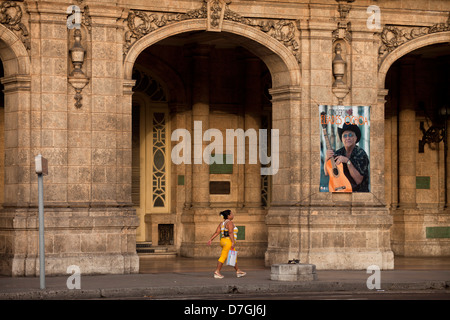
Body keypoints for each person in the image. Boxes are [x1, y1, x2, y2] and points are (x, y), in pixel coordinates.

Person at [325, 122, 370, 192]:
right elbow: (327, 173)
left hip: (358, 195)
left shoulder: (361, 154)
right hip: (342, 191)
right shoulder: (338, 153)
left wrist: (347, 161)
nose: (348, 138)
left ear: (355, 138)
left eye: (350, 135)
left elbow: (358, 180)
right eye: (345, 136)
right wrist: (326, 158)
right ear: (342, 140)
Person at [207, 210, 246, 279]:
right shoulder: (230, 223)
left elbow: (217, 232)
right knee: (223, 256)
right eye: (232, 214)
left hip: (223, 241)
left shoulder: (222, 223)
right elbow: (230, 232)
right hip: (228, 241)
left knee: (233, 255)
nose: (233, 215)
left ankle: (238, 271)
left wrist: (211, 239)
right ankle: (217, 271)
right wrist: (233, 242)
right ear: (228, 216)